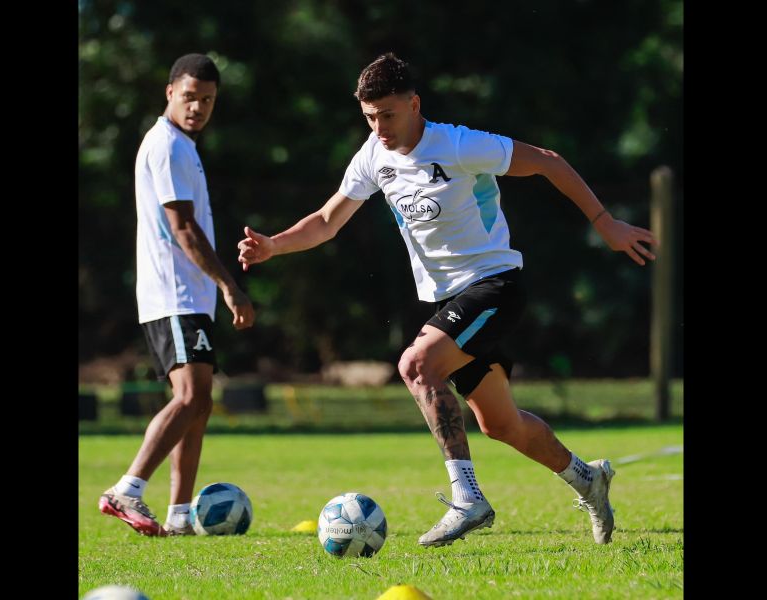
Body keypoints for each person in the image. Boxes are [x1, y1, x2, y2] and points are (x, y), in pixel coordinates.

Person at [238, 52, 658, 547]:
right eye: (370, 117)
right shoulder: (374, 155)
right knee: (500, 424)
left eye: (388, 114)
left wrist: (605, 222)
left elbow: (547, 161)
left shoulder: (459, 144)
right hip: (451, 301)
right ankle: (588, 478)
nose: (379, 127)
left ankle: (467, 498)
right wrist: (274, 245)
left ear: (415, 104)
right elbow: (329, 220)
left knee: (416, 365)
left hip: (495, 285)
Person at [99, 54, 255, 537]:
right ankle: (127, 488)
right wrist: (230, 285)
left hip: (189, 296)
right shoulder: (166, 146)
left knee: (200, 399)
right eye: (190, 97)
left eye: (207, 100)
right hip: (175, 293)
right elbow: (182, 228)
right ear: (170, 93)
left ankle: (181, 515)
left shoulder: (182, 146)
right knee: (190, 396)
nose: (198, 108)